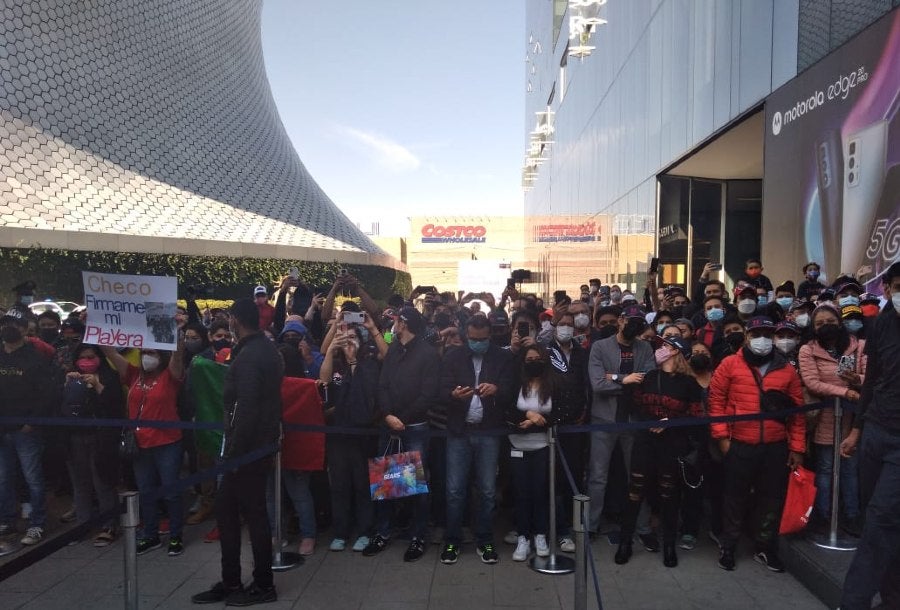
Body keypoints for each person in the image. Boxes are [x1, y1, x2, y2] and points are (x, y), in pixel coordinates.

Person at [192, 298, 284, 606]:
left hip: (247, 450)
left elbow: (246, 409)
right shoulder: (262, 350)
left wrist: (233, 455)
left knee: (253, 516)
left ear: (235, 320)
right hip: (252, 446)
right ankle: (232, 580)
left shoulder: (251, 356)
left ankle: (262, 584)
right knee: (229, 512)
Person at [708, 316, 805, 572]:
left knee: (771, 498)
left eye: (766, 333)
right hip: (739, 443)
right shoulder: (730, 364)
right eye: (756, 334)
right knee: (734, 497)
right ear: (747, 336)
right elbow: (716, 402)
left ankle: (764, 546)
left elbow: (797, 413)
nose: (761, 339)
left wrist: (796, 447)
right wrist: (721, 438)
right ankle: (729, 545)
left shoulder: (787, 370)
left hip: (774, 446)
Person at [839, 262, 900, 610]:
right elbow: (873, 379)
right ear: (887, 289)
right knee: (877, 518)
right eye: (896, 286)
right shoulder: (880, 326)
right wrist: (857, 431)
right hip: (876, 430)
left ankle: (854, 602)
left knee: (881, 518)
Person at [613, 336, 702, 568]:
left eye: (666, 346)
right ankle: (625, 542)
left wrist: (669, 421)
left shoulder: (688, 384)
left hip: (672, 445)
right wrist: (650, 420)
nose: (661, 349)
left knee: (669, 495)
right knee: (634, 493)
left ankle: (669, 545)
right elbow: (633, 404)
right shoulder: (649, 378)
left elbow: (695, 415)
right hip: (644, 442)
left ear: (676, 352)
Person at [363, 306, 440, 562]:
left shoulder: (428, 354)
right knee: (386, 482)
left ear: (404, 324)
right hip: (390, 425)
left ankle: (418, 536)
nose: (393, 324)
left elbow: (427, 394)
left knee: (415, 486)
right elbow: (382, 383)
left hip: (414, 427)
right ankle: (383, 532)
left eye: (396, 320)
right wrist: (387, 415)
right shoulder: (394, 349)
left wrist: (401, 419)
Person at [439, 315, 515, 565]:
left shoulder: (502, 357)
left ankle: (485, 539)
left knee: (487, 490)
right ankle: (452, 539)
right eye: (473, 339)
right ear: (465, 336)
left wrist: (497, 390)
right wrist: (453, 394)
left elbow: (512, 388)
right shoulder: (452, 357)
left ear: (490, 336)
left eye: (482, 340)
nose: (477, 343)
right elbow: (439, 390)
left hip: (488, 430)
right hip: (460, 430)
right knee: (454, 490)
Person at [102, 334, 186, 556]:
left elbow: (178, 356)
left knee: (170, 491)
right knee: (146, 491)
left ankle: (176, 535)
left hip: (167, 442)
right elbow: (109, 352)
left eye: (153, 352)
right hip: (139, 443)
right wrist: (96, 325)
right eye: (145, 352)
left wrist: (177, 334)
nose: (148, 356)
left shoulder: (170, 376)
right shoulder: (133, 375)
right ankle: (151, 534)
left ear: (162, 355)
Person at [507, 344, 581, 561]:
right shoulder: (515, 384)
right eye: (528, 359)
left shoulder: (555, 384)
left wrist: (537, 422)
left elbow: (563, 412)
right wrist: (527, 415)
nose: (533, 362)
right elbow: (506, 409)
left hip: (543, 445)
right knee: (521, 492)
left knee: (541, 491)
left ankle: (540, 534)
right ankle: (523, 536)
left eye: (537, 358)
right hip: (517, 445)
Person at [587, 304, 655, 535]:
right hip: (603, 420)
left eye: (638, 323)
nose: (632, 326)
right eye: (630, 321)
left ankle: (642, 527)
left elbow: (647, 380)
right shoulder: (600, 346)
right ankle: (591, 526)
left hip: (633, 420)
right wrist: (624, 380)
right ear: (621, 320)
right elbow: (597, 384)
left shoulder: (645, 347)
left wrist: (613, 378)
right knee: (597, 477)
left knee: (636, 475)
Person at [798, 304, 864, 535]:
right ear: (813, 328)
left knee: (849, 468)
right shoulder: (808, 350)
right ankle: (824, 517)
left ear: (839, 321)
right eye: (820, 323)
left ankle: (852, 516)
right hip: (824, 417)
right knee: (825, 469)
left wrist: (857, 379)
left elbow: (873, 376)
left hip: (853, 418)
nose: (826, 326)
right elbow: (812, 382)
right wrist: (844, 392)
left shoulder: (859, 346)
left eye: (830, 321)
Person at [0, 308, 59, 546]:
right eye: (4, 324)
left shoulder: (35, 358)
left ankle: (37, 523)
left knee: (33, 477)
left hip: (26, 429)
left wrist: (32, 422)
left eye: (13, 324)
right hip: (2, 428)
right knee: (3, 478)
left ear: (25, 329)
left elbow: (46, 395)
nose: (7, 328)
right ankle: (7, 520)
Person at [320, 325, 379, 553]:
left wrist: (353, 361)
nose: (348, 341)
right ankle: (341, 532)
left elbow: (366, 392)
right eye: (344, 337)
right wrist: (329, 352)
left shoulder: (369, 362)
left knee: (363, 484)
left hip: (361, 434)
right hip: (337, 434)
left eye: (353, 337)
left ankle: (365, 531)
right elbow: (323, 381)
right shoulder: (334, 362)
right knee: (340, 485)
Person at [62, 343, 125, 546]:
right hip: (75, 437)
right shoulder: (71, 378)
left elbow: (115, 405)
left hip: (101, 438)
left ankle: (109, 524)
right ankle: (83, 524)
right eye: (83, 357)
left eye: (91, 357)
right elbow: (61, 406)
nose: (87, 361)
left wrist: (98, 387)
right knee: (80, 483)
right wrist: (68, 386)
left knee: (102, 481)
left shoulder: (109, 377)